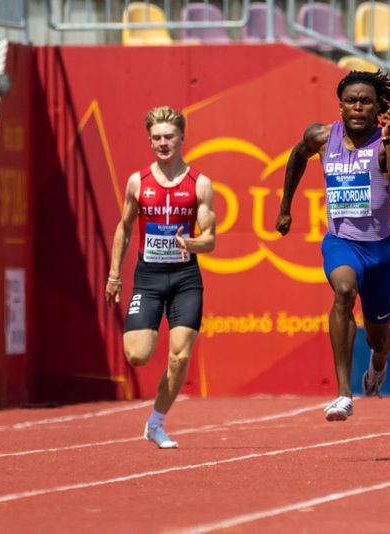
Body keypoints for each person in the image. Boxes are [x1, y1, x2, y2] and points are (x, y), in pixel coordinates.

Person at [275, 70, 390, 421]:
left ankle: (378, 365)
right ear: (340, 107)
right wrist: (285, 208)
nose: (357, 107)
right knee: (343, 290)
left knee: (377, 341)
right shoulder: (321, 137)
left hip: (380, 251)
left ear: (377, 108)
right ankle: (343, 393)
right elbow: (296, 157)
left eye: (365, 101)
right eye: (351, 101)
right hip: (341, 243)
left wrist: (385, 140)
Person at [105, 106, 216, 448]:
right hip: (149, 277)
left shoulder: (200, 184)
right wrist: (114, 276)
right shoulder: (138, 182)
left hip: (185, 278)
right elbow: (124, 228)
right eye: (156, 138)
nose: (163, 143)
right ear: (149, 140)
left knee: (179, 356)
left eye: (169, 137)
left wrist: (192, 242)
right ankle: (155, 415)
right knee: (138, 355)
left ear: (181, 138)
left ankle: (156, 422)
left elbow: (210, 239)